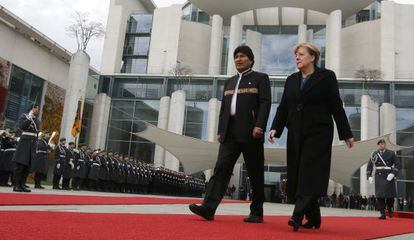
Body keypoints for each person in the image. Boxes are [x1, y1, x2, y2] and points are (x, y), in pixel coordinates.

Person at [268, 43, 354, 231]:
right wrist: (275, 128)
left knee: (309, 171)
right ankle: (314, 217)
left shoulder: (327, 77)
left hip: (319, 133)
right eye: (296, 55)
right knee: (299, 173)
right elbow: (283, 107)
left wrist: (346, 133)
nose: (297, 58)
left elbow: (336, 106)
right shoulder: (291, 80)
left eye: (301, 54)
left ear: (313, 57)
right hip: (296, 133)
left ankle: (297, 215)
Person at [189, 45, 271, 223]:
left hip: (251, 132)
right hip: (230, 133)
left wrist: (260, 126)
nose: (238, 59)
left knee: (255, 172)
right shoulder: (229, 81)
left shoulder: (260, 78)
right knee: (221, 169)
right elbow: (224, 108)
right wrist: (220, 129)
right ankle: (208, 208)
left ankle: (257, 212)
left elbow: (265, 103)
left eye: (242, 56)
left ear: (250, 59)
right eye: (236, 57)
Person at [367, 139, 400, 219]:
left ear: (385, 145)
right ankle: (382, 213)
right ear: (378, 145)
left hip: (389, 175)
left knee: (390, 196)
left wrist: (393, 173)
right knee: (379, 196)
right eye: (380, 144)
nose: (381, 145)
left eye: (383, 144)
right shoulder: (374, 154)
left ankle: (390, 208)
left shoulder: (391, 153)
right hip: (379, 175)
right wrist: (369, 176)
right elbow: (370, 166)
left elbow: (398, 164)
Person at [13, 104, 40, 192]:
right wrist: (29, 118)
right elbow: (22, 127)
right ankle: (16, 185)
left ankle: (22, 184)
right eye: (36, 108)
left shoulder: (37, 120)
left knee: (27, 165)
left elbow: (36, 132)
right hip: (25, 142)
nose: (38, 110)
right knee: (20, 165)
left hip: (32, 144)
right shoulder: (25, 116)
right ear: (32, 109)